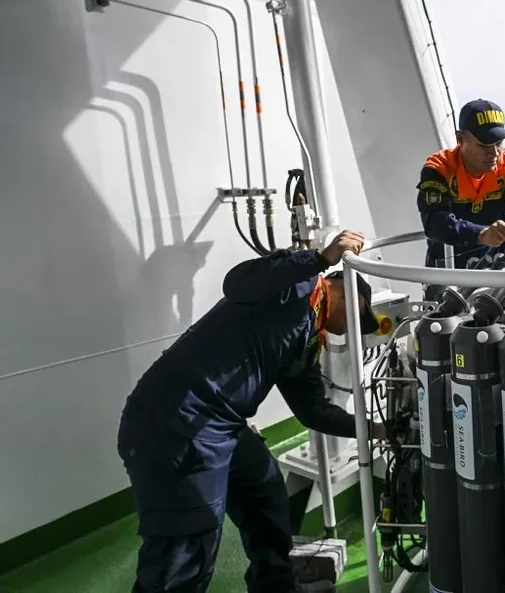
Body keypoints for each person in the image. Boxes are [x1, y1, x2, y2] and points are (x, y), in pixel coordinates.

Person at [116, 230, 386, 593]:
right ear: (344, 290)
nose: (351, 328)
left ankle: (275, 587)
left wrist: (372, 428)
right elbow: (238, 283)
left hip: (222, 423)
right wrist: (319, 258)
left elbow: (312, 411)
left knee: (266, 494)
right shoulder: (294, 285)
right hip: (176, 419)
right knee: (187, 549)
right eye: (359, 316)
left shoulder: (307, 342)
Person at [416, 99, 505, 271]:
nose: (494, 152)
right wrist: (481, 234)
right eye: (484, 144)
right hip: (447, 270)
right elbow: (434, 222)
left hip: (498, 266)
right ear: (460, 139)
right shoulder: (439, 168)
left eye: (498, 143)